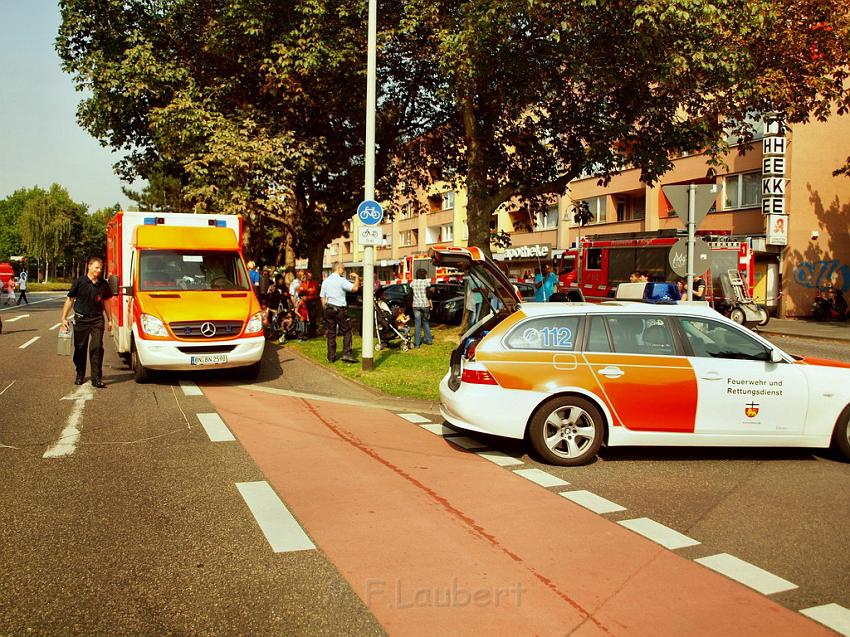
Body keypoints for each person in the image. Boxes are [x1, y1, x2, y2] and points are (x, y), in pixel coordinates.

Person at [60, 257, 114, 388]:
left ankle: (96, 378)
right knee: (80, 349)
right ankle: (80, 374)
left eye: (100, 268)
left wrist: (110, 319)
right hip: (81, 319)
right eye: (96, 267)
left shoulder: (103, 284)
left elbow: (106, 302)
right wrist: (63, 318)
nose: (99, 270)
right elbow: (70, 300)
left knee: (97, 347)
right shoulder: (79, 282)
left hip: (97, 319)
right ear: (89, 266)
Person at [320, 262, 360, 363]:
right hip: (339, 309)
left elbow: (322, 297)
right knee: (347, 330)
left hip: (328, 309)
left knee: (331, 333)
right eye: (343, 269)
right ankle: (346, 354)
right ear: (338, 268)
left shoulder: (326, 281)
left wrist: (325, 308)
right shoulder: (341, 280)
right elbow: (355, 288)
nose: (344, 271)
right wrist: (357, 278)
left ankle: (331, 357)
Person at [410, 268, 433, 347]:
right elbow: (428, 295)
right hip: (425, 305)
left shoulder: (412, 283)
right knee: (425, 322)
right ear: (423, 275)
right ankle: (429, 340)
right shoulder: (426, 283)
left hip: (416, 305)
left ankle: (417, 343)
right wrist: (431, 304)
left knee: (417, 323)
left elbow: (410, 295)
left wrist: (411, 303)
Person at [298, 270, 321, 338]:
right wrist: (306, 293)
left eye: (310, 275)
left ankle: (312, 334)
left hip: (312, 302)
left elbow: (314, 291)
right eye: (308, 275)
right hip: (304, 303)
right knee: (304, 317)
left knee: (312, 317)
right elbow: (300, 292)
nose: (309, 276)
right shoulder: (303, 283)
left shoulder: (314, 283)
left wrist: (306, 292)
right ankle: (304, 332)